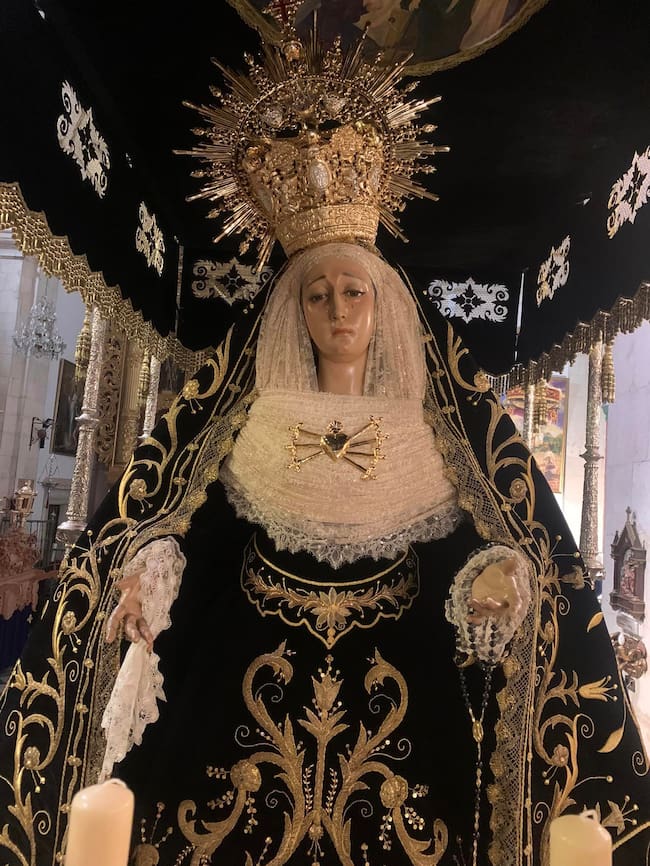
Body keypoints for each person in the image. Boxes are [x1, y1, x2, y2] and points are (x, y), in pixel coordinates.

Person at [0, 20, 648, 866]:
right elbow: (177, 522)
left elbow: (500, 550)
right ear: (291, 312)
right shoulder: (248, 419)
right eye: (317, 296)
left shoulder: (435, 435)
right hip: (236, 731)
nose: (338, 313)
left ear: (382, 305)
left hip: (410, 752)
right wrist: (152, 567)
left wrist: (497, 579)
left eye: (353, 292)